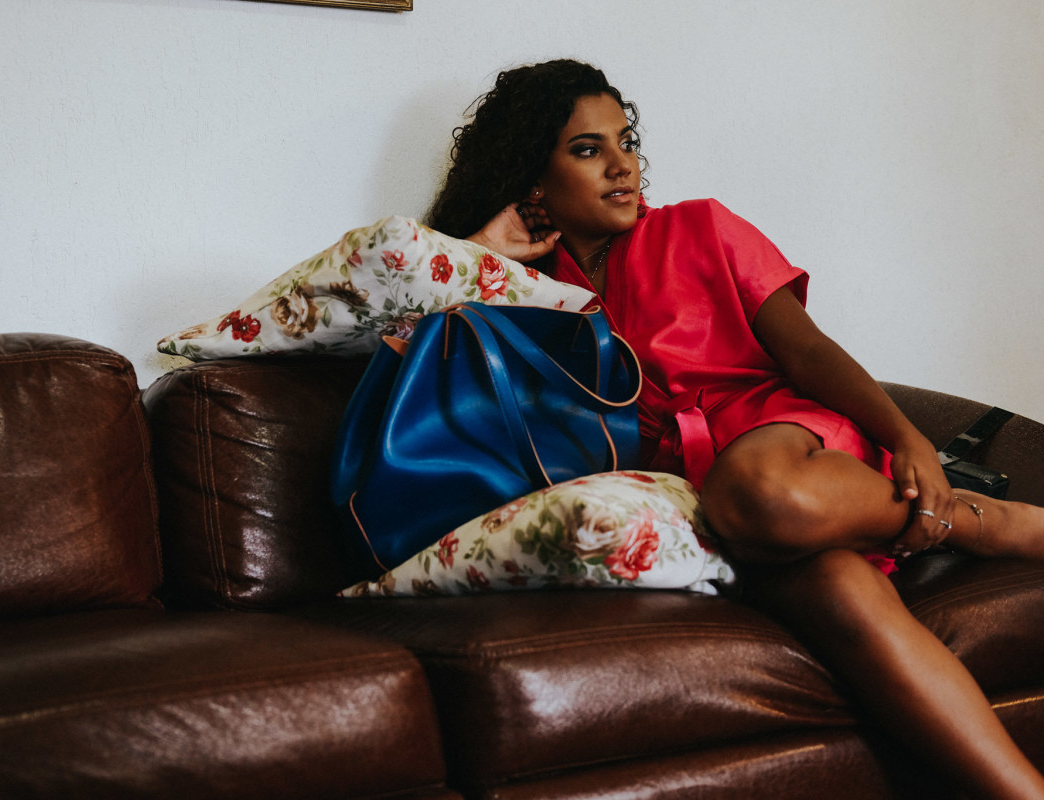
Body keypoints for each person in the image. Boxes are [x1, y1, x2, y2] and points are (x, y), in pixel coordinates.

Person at [426, 58, 1044, 800]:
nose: (622, 165)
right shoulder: (525, 293)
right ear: (533, 180)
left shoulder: (699, 226)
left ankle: (979, 522)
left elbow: (807, 351)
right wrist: (481, 254)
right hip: (705, 501)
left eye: (625, 141)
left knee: (760, 490)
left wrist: (909, 439)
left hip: (783, 437)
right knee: (845, 601)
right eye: (588, 150)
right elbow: (416, 360)